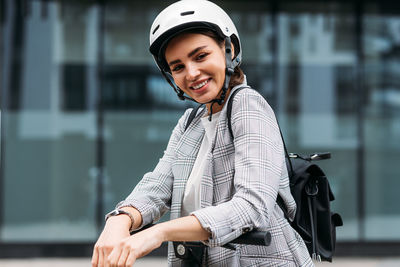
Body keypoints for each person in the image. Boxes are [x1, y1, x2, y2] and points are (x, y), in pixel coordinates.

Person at [91, 0, 314, 266]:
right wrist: (119, 219)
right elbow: (158, 186)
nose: (192, 73)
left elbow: (252, 207)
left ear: (228, 50)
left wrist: (159, 232)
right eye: (178, 67)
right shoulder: (191, 122)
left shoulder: (247, 105)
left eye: (200, 56)